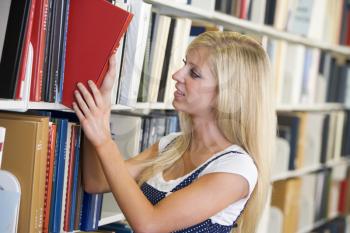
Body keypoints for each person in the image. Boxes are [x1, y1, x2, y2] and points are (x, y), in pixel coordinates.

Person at [73, 31, 276, 233]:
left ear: (227, 95)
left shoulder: (236, 168)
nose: (177, 75)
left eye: (194, 73)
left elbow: (150, 225)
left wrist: (104, 141)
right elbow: (95, 182)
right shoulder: (171, 146)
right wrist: (100, 107)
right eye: (184, 64)